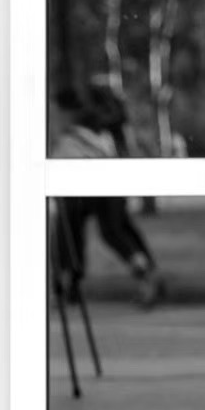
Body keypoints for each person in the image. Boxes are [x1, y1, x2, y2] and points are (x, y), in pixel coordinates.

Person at [49, 88, 165, 308]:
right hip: (93, 182)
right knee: (102, 231)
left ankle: (145, 275)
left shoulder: (76, 129)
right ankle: (70, 283)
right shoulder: (95, 130)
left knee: (106, 232)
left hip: (90, 181)